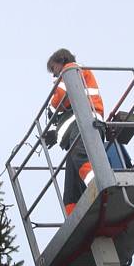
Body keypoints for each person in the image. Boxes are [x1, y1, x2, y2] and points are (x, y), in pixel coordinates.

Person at [44, 48, 104, 216]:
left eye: (54, 69)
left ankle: (98, 186)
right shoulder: (73, 76)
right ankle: (72, 215)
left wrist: (52, 107)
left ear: (62, 60)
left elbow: (61, 96)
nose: (54, 76)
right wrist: (55, 133)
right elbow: (70, 108)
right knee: (71, 181)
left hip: (86, 122)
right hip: (77, 127)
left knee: (80, 156)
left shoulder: (71, 69)